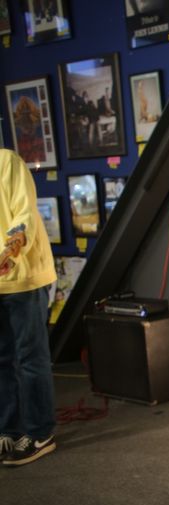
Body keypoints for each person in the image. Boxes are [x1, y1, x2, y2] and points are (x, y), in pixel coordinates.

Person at [0, 149, 57, 467]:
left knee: (30, 358)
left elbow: (24, 212)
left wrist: (12, 246)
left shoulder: (6, 162)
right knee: (2, 360)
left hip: (24, 277)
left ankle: (39, 432)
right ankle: (7, 429)